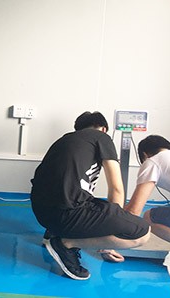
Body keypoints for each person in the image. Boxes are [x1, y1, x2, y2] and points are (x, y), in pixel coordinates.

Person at [30, 111, 150, 280]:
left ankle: (53, 233)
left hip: (42, 214)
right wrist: (113, 234)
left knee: (84, 199)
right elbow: (116, 189)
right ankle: (65, 244)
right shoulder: (102, 137)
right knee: (142, 233)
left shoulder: (65, 140)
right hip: (66, 216)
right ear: (103, 129)